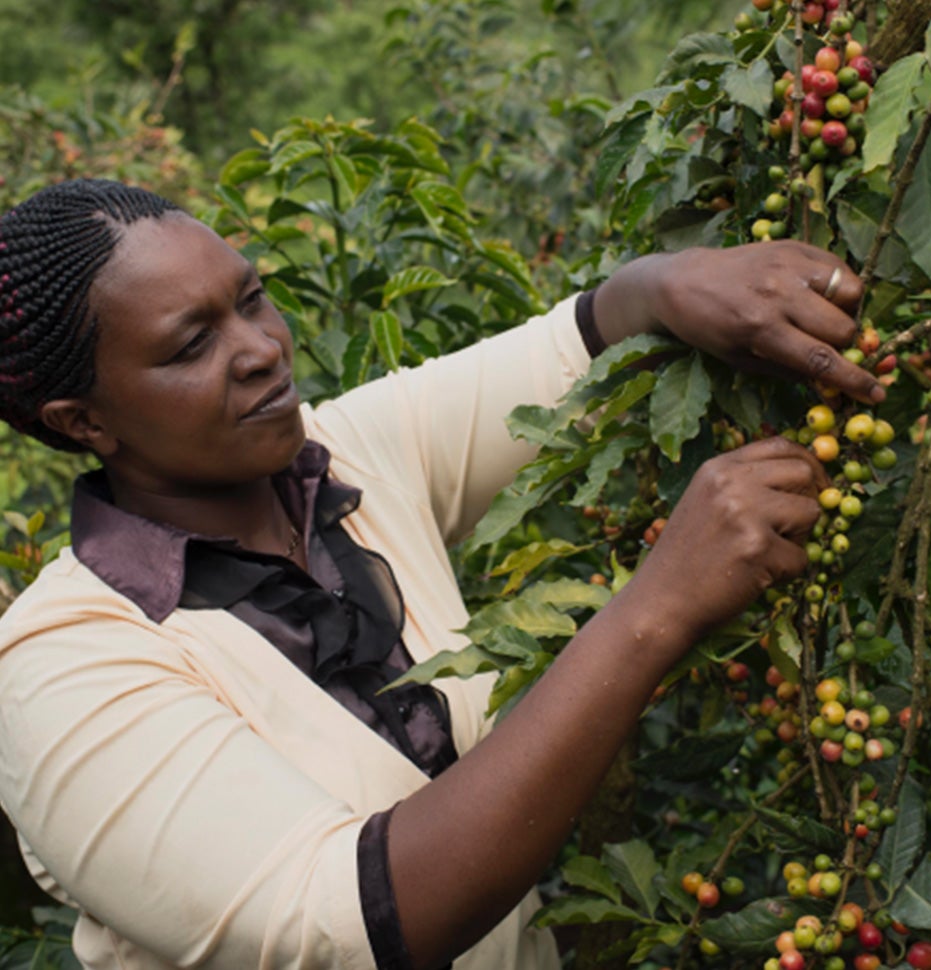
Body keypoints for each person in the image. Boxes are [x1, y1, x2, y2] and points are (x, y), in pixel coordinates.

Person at [0, 178, 878, 970]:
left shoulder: (343, 462)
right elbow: (354, 928)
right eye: (191, 344)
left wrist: (671, 282)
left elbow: (576, 347)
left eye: (251, 298)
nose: (262, 348)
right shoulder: (59, 671)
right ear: (84, 423)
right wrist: (657, 609)